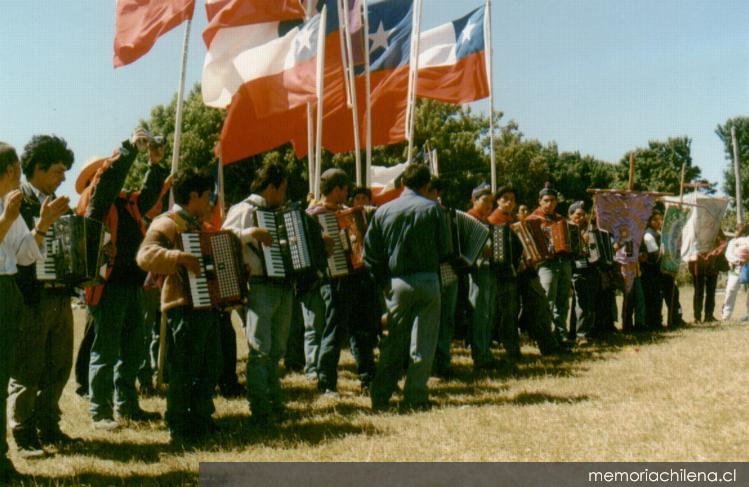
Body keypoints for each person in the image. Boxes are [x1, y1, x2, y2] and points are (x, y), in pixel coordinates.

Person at [76, 128, 167, 429]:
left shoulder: (125, 204)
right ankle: (100, 411)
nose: (112, 175)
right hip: (108, 287)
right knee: (106, 348)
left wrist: (154, 164)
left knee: (134, 349)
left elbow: (150, 195)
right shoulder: (96, 202)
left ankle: (127, 405)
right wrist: (129, 148)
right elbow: (108, 180)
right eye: (104, 171)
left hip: (131, 285)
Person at [137, 168, 221, 445]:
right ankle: (178, 423)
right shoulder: (168, 222)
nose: (210, 202)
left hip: (206, 306)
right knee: (184, 367)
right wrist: (178, 256)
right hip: (181, 305)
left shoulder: (200, 226)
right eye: (207, 196)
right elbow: (145, 256)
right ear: (193, 196)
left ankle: (200, 417)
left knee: (209, 364)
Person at [0, 142, 68, 481]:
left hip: (9, 287)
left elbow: (26, 255)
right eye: (16, 170)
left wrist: (42, 225)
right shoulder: (9, 209)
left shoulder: (11, 206)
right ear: (11, 171)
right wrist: (8, 219)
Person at [365, 164, 449, 411]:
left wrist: (383, 284)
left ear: (403, 182)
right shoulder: (433, 209)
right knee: (423, 342)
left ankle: (380, 396)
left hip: (397, 282)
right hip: (427, 279)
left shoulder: (383, 211)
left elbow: (370, 253)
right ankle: (415, 396)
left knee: (393, 342)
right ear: (425, 185)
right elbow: (445, 248)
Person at [222, 161, 294, 425]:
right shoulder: (243, 209)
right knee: (261, 349)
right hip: (259, 286)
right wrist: (249, 233)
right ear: (271, 187)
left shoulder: (282, 211)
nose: (284, 196)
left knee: (277, 349)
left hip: (282, 285)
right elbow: (222, 236)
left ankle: (275, 401)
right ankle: (261, 408)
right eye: (282, 189)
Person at [302, 168, 376, 393]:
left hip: (356, 277)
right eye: (345, 189)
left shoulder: (348, 212)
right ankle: (326, 381)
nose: (347, 194)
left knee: (360, 330)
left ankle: (368, 378)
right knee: (334, 330)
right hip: (333, 281)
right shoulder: (314, 215)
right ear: (336, 190)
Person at [488, 185, 560, 357]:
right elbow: (498, 254)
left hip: (526, 272)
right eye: (505, 198)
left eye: (512, 199)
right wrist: (513, 262)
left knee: (540, 304)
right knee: (510, 312)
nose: (509, 202)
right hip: (507, 275)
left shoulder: (515, 220)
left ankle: (548, 346)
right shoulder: (493, 220)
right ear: (498, 200)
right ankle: (513, 352)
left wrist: (529, 258)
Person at [525, 184, 573, 343]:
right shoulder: (532, 220)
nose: (549, 204)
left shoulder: (561, 219)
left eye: (552, 200)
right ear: (539, 201)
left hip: (563, 262)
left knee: (563, 301)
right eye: (546, 200)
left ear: (556, 202)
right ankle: (544, 335)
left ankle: (561, 334)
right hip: (545, 265)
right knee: (547, 301)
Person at [466, 183, 502, 372]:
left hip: (490, 270)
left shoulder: (487, 221)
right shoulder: (469, 218)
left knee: (488, 311)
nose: (489, 205)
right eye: (484, 201)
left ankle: (485, 352)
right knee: (479, 312)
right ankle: (479, 355)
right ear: (474, 200)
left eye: (491, 202)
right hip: (476, 271)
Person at [426, 177, 459, 379]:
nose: (435, 194)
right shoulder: (422, 213)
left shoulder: (448, 213)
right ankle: (431, 365)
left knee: (447, 319)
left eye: (437, 191)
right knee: (430, 321)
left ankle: (444, 360)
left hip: (449, 272)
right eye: (432, 190)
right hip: (429, 272)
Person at [566, 201, 599, 342]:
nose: (581, 217)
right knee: (581, 303)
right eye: (577, 215)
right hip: (574, 269)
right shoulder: (568, 229)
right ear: (570, 215)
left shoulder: (590, 229)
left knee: (586, 302)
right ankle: (580, 334)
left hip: (589, 269)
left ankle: (580, 330)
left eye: (583, 215)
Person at [688, 230, 727, 324]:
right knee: (698, 291)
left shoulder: (715, 225)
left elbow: (723, 242)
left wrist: (715, 252)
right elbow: (688, 242)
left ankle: (709, 315)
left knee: (711, 291)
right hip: (698, 263)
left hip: (712, 264)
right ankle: (697, 317)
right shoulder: (694, 225)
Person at [721, 224, 749, 321]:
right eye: (737, 230)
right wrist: (738, 261)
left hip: (747, 268)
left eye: (740, 230)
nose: (738, 232)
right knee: (730, 291)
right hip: (736, 269)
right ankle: (726, 315)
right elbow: (728, 254)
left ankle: (748, 314)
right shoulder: (733, 242)